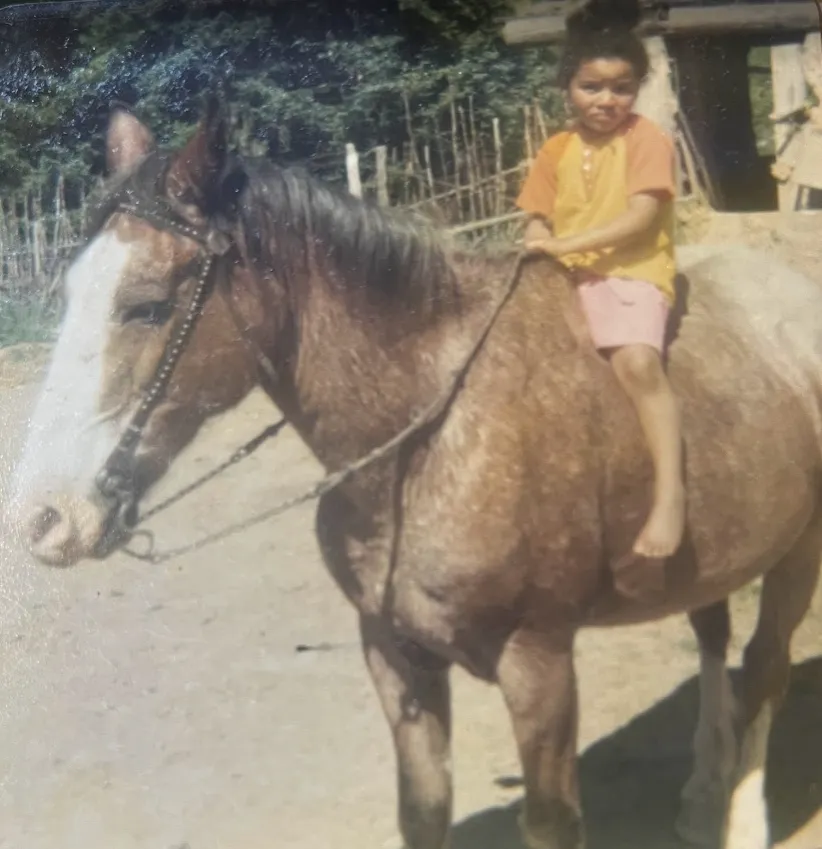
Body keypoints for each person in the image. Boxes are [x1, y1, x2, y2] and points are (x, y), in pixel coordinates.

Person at [516, 25, 684, 563]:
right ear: (567, 86)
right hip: (565, 274)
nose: (607, 100)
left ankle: (671, 495)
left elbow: (641, 218)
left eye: (621, 88)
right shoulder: (556, 149)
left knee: (636, 362)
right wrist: (539, 239)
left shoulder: (646, 140)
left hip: (631, 268)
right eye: (591, 87)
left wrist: (566, 244)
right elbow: (537, 216)